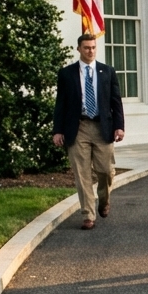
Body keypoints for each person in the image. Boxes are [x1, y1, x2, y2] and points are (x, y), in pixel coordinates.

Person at [53, 33, 124, 230]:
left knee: (106, 171)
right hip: (78, 127)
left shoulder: (107, 71)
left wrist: (119, 126)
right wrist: (57, 130)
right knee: (82, 174)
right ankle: (88, 214)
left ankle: (104, 199)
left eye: (93, 47)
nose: (90, 51)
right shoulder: (66, 73)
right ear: (79, 49)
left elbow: (115, 102)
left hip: (103, 127)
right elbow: (61, 104)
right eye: (86, 48)